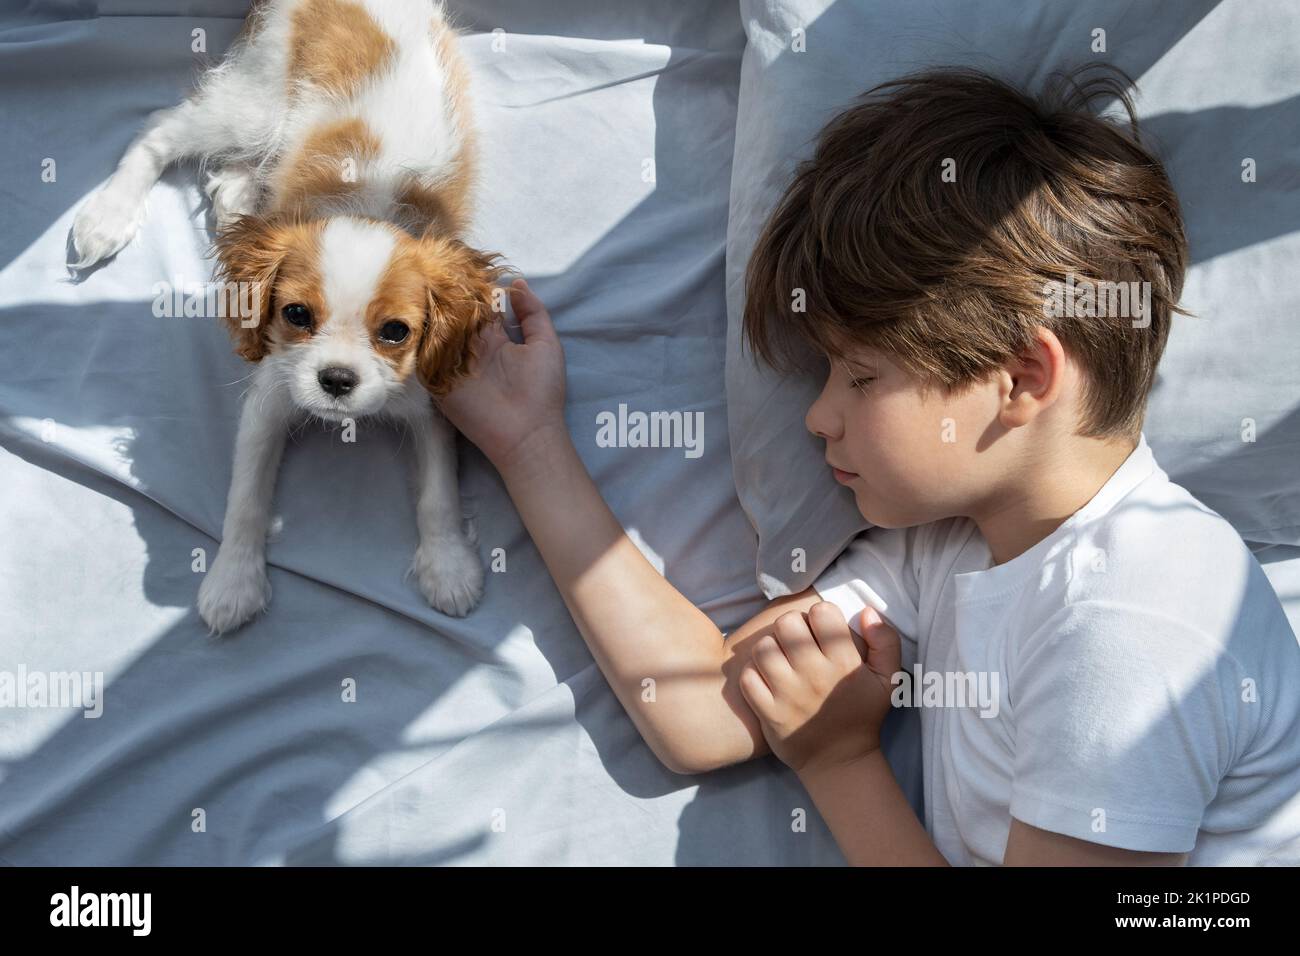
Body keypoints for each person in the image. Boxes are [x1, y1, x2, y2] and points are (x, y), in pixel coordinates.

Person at [435, 66, 1300, 866]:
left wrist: (841, 762)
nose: (817, 418)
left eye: (860, 376)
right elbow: (699, 711)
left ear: (1021, 379)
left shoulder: (1137, 618)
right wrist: (531, 445)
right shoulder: (955, 543)